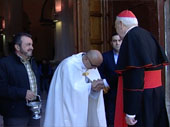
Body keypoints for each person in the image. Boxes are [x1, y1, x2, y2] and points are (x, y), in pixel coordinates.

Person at [113, 10, 169, 127]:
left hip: (142, 98)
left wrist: (131, 112)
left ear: (121, 24)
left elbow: (135, 75)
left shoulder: (131, 37)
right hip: (156, 94)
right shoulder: (147, 34)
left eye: (116, 25)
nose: (116, 29)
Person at [43, 50, 107, 127]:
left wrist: (96, 87)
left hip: (86, 107)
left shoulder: (92, 64)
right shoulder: (68, 65)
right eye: (93, 66)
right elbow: (70, 91)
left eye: (97, 67)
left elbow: (92, 80)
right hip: (68, 108)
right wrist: (90, 86)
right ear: (86, 59)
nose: (94, 69)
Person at [0, 32, 41, 127]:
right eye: (28, 44)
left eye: (32, 44)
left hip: (34, 112)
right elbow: (2, 88)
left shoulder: (32, 62)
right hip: (15, 115)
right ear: (17, 47)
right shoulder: (4, 64)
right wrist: (23, 93)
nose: (32, 47)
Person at [98, 34, 122, 127]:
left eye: (119, 41)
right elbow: (100, 72)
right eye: (115, 41)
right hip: (110, 93)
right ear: (111, 43)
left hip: (124, 92)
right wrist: (105, 84)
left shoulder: (128, 56)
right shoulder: (105, 56)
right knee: (110, 116)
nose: (117, 43)